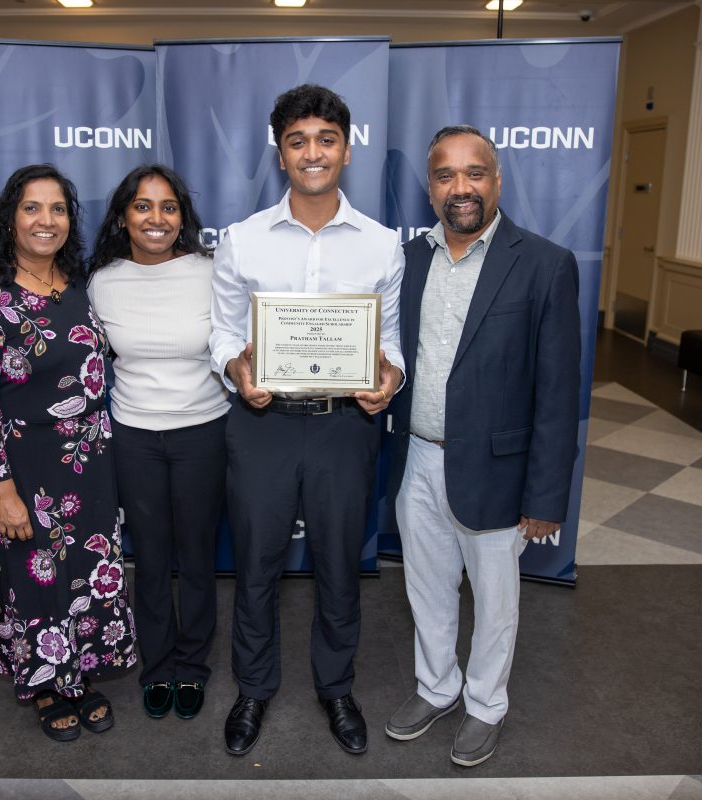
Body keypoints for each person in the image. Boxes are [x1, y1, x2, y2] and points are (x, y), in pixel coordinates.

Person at [209, 84, 405, 757]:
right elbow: (222, 335)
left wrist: (390, 379)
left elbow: (394, 342)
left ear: (346, 150)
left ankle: (336, 686)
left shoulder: (381, 246)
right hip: (260, 426)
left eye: (325, 139)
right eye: (297, 140)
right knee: (256, 567)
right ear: (280, 151)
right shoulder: (241, 241)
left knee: (338, 567)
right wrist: (237, 371)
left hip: (344, 427)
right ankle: (254, 689)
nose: (312, 152)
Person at [383, 126, 580, 766]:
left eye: (475, 173)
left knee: (496, 602)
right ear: (431, 186)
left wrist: (546, 495)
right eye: (445, 175)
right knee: (427, 588)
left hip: (498, 467)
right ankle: (436, 688)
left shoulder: (546, 264)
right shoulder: (409, 260)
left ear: (497, 180)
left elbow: (557, 393)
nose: (460, 187)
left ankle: (485, 704)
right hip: (416, 456)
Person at [0, 164, 137, 742]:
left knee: (86, 570)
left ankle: (78, 672)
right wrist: (2, 489)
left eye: (58, 209)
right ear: (10, 217)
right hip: (24, 470)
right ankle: (46, 685)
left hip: (88, 462)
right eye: (32, 207)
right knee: (36, 579)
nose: (46, 220)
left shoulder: (80, 284)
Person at [86, 164, 228, 722]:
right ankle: (156, 666)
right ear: (124, 217)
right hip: (134, 435)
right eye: (143, 206)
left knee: (195, 558)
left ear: (182, 217)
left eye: (168, 207)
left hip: (203, 431)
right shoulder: (102, 281)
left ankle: (191, 666)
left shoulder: (211, 271)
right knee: (147, 560)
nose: (156, 218)